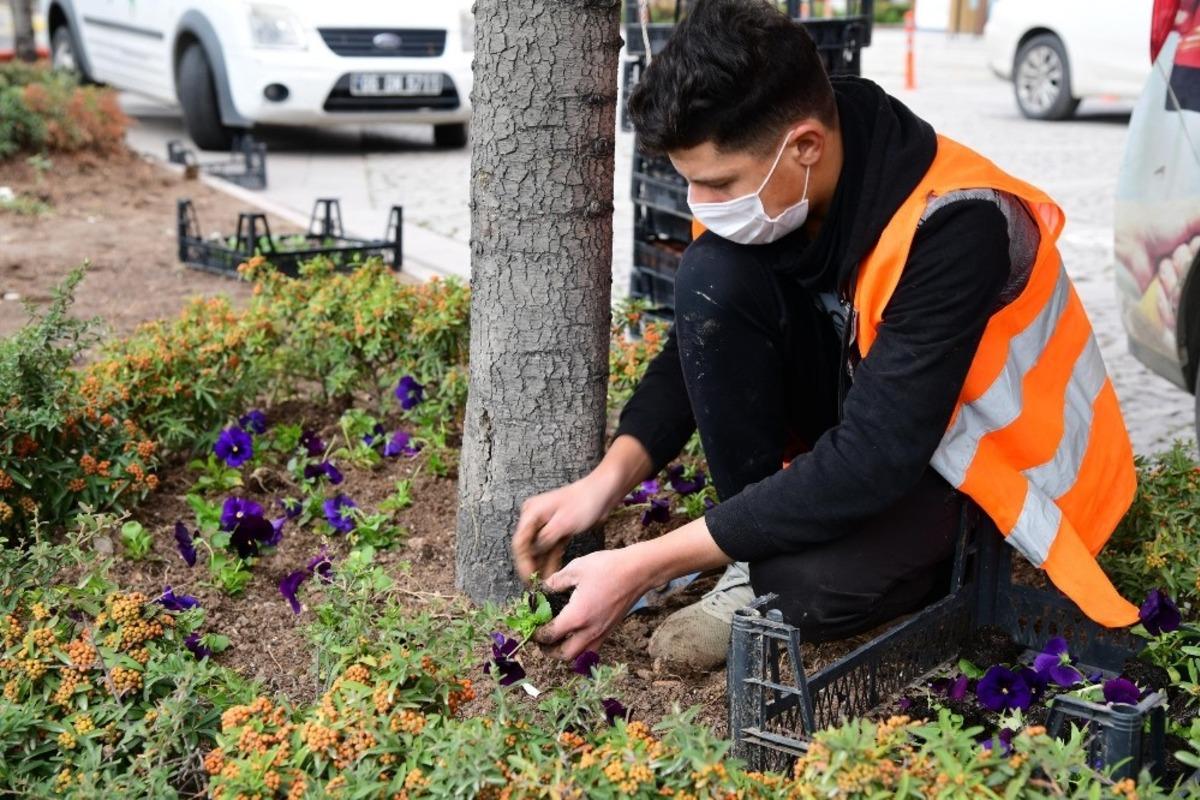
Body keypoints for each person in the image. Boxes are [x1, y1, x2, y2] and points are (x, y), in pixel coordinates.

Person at [511, 0, 1142, 670]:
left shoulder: (959, 225)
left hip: (985, 472)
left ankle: (778, 563)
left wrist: (645, 564)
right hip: (879, 422)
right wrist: (606, 481)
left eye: (718, 183)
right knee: (711, 273)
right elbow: (700, 340)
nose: (703, 202)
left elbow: (876, 456)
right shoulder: (778, 178)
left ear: (806, 145)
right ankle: (750, 552)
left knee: (801, 588)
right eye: (691, 183)